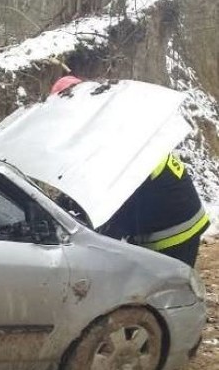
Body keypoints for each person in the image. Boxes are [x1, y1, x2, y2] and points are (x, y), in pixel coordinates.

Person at [50, 76, 210, 267]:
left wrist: (98, 240)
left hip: (175, 223)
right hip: (157, 213)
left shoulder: (112, 136)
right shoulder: (105, 125)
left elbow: (117, 196)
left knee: (167, 287)